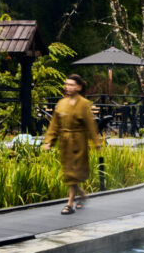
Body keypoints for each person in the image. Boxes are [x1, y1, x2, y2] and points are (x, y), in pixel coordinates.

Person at [43, 73, 102, 215]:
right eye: (66, 84)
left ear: (78, 87)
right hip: (65, 143)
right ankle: (82, 195)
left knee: (74, 173)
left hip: (79, 142)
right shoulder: (61, 104)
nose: (67, 87)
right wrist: (49, 141)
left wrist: (96, 142)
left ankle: (69, 204)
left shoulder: (84, 104)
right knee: (69, 173)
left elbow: (90, 125)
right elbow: (54, 124)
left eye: (71, 84)